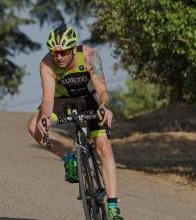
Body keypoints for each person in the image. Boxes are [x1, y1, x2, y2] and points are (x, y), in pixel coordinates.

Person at [27, 23, 123, 220]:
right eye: (55, 53)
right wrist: (45, 119)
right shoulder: (47, 63)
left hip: (88, 100)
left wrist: (103, 107)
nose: (59, 57)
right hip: (61, 102)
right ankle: (68, 157)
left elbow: (102, 91)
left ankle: (113, 206)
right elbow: (47, 100)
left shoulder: (89, 56)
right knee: (33, 126)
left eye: (63, 52)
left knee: (104, 148)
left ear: (73, 48)